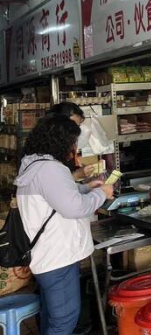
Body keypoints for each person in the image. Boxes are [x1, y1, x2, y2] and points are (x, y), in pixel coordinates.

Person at [15, 114, 114, 335]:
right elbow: (74, 208)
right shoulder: (51, 169)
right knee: (64, 320)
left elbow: (55, 196)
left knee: (52, 317)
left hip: (47, 256)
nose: (74, 148)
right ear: (61, 141)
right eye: (72, 142)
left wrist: (86, 188)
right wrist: (102, 193)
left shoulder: (34, 165)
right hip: (58, 257)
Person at [47, 103, 94, 181]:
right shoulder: (47, 150)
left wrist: (81, 170)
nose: (76, 131)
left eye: (78, 126)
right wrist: (76, 175)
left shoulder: (67, 145)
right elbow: (52, 183)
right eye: (72, 126)